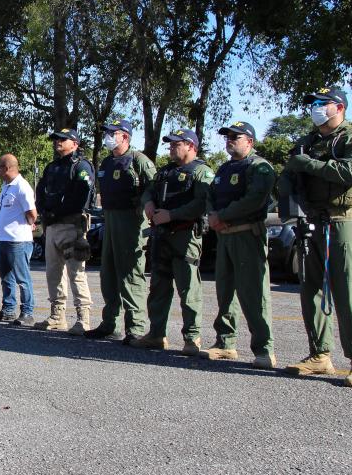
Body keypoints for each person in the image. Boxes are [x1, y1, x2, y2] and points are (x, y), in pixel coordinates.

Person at [279, 86, 352, 388]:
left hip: (342, 221)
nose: (316, 108)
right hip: (312, 223)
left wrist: (308, 164)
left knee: (347, 290)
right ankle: (320, 354)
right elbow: (289, 173)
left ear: (340, 108)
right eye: (313, 103)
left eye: (323, 103)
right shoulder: (308, 141)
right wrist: (289, 203)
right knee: (310, 287)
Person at [132, 129, 214, 355]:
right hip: (161, 236)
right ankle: (156, 334)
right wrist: (148, 203)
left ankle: (192, 338)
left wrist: (172, 215)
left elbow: (201, 203)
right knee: (158, 287)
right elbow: (149, 191)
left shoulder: (201, 171)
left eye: (176, 144)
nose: (171, 147)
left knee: (189, 289)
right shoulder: (165, 171)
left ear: (190, 146)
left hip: (185, 236)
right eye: (170, 144)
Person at [203, 122, 277, 368]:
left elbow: (254, 200)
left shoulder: (260, 167)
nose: (229, 140)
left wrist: (222, 216)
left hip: (247, 236)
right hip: (224, 236)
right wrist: (213, 215)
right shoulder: (224, 169)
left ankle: (264, 350)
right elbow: (210, 196)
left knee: (253, 294)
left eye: (236, 137)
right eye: (227, 137)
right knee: (225, 292)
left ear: (250, 141)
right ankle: (225, 343)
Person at [85, 120, 156, 344]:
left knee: (131, 275)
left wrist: (144, 206)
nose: (107, 136)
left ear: (125, 137)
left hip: (131, 222)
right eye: (106, 133)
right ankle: (110, 324)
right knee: (109, 274)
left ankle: (135, 327)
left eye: (111, 133)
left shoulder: (139, 161)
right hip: (111, 220)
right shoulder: (106, 162)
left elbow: (153, 187)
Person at [34, 128, 95, 335]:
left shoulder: (81, 166)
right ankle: (57, 315)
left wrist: (60, 211)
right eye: (56, 139)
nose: (58, 142)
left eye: (63, 139)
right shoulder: (52, 167)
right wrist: (44, 211)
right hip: (52, 226)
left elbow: (82, 195)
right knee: (53, 273)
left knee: (76, 273)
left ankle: (83, 318)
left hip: (72, 225)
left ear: (75, 143)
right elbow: (40, 191)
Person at [0, 154, 37, 326]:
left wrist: (27, 225)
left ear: (8, 168)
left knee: (22, 278)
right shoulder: (5, 186)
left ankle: (27, 312)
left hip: (18, 240)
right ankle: (8, 310)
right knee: (6, 277)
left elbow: (32, 214)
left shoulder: (21, 186)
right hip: (4, 239)